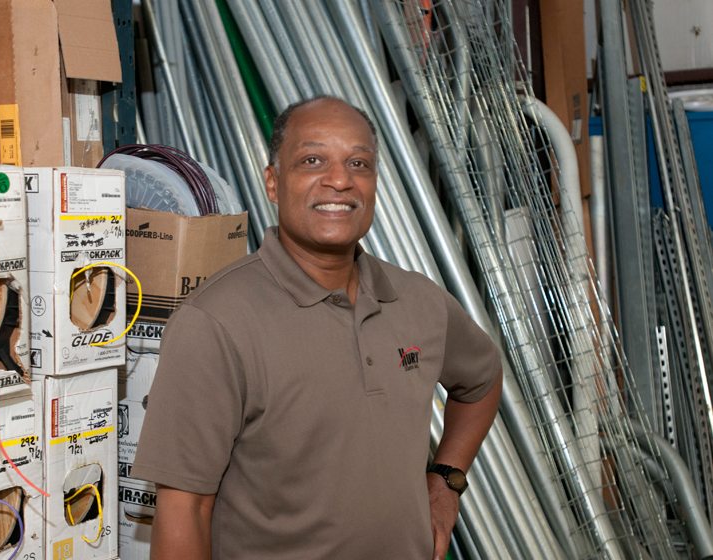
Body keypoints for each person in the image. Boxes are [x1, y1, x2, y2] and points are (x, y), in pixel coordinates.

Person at [132, 96, 502, 560]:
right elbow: (185, 511)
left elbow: (482, 380)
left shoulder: (419, 301)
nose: (340, 180)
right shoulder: (216, 322)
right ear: (273, 182)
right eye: (313, 160)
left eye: (358, 163)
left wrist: (446, 480)